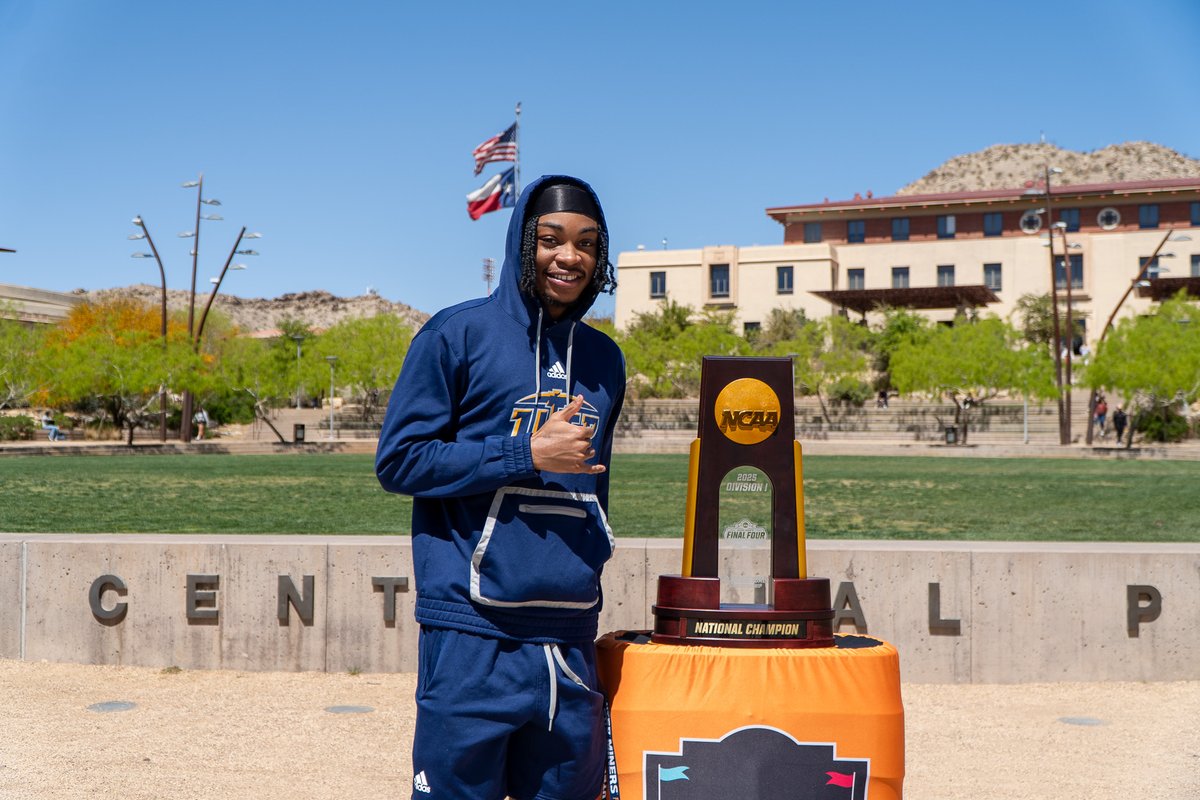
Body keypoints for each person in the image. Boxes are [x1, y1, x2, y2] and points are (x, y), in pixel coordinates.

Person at [376, 175, 624, 800]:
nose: (570, 256)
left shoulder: (605, 360)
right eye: (552, 239)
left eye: (587, 244)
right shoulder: (455, 335)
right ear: (523, 244)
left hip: (569, 636)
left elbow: (593, 487)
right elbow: (400, 461)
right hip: (471, 635)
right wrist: (525, 452)